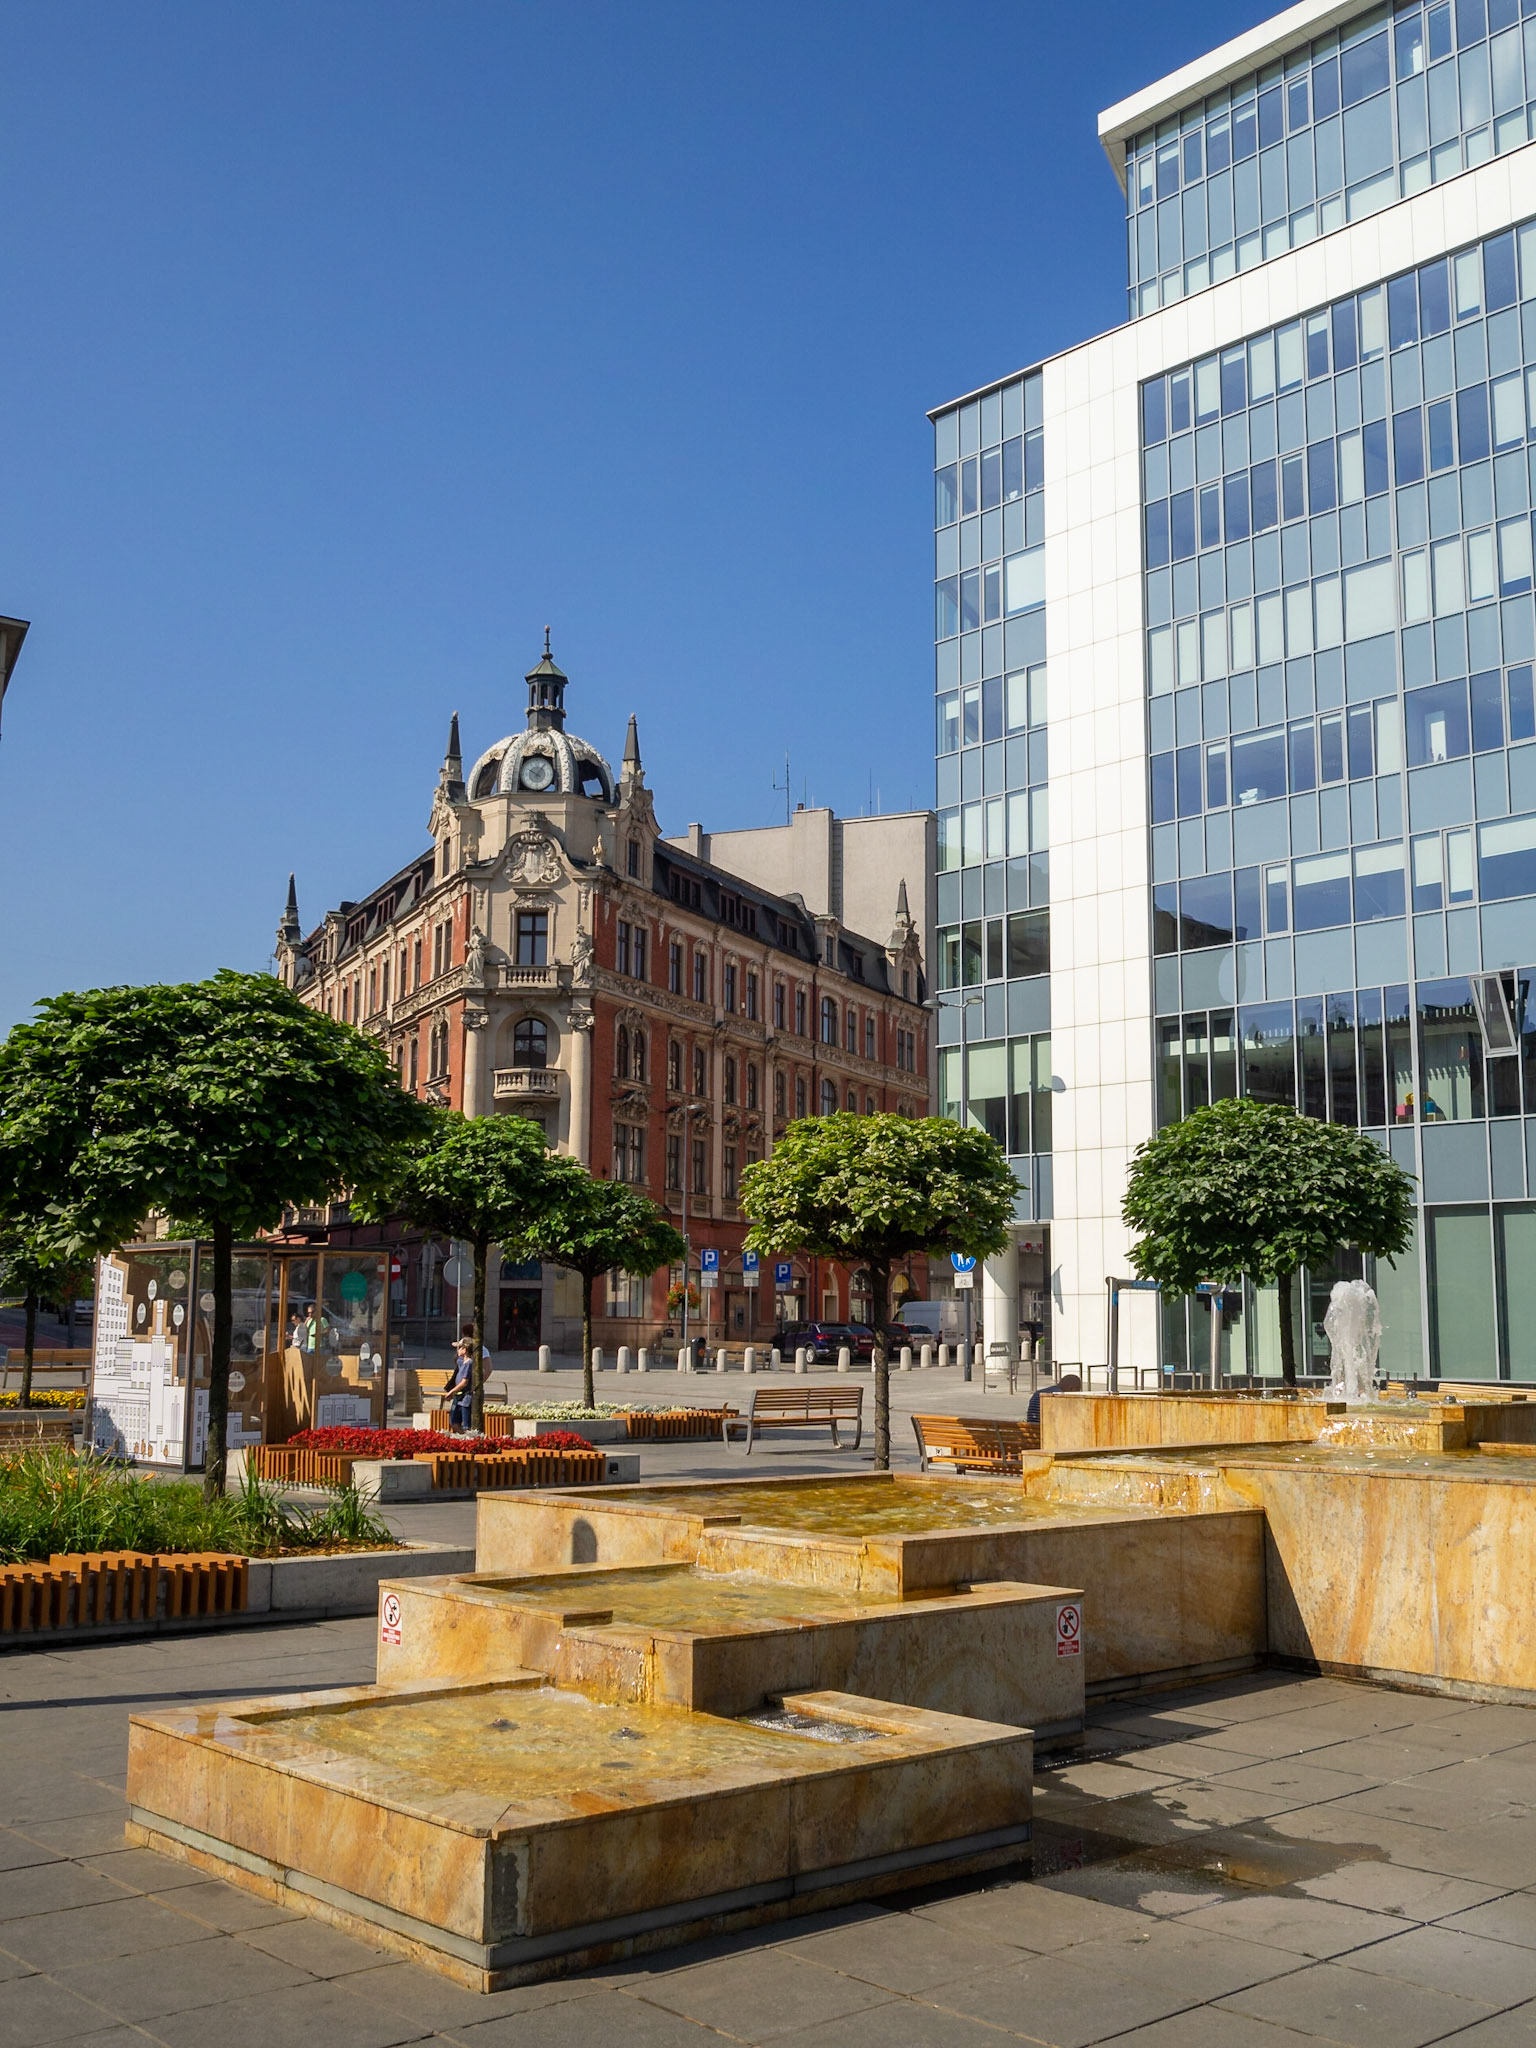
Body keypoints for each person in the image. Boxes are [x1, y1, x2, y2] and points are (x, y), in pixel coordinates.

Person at [445, 1342, 474, 1432]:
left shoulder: (469, 1363)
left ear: (464, 1350)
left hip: (466, 1398)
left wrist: (451, 1392)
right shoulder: (461, 1361)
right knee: (453, 1422)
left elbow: (464, 1382)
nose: (457, 1350)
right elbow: (456, 1359)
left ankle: (467, 1440)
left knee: (466, 1426)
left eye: (459, 1348)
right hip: (458, 1397)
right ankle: (461, 1438)